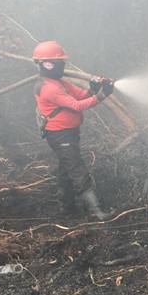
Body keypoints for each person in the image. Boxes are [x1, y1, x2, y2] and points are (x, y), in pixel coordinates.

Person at [32, 40, 114, 219]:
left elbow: (80, 96)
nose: (64, 65)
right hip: (59, 135)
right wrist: (102, 95)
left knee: (65, 168)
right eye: (61, 62)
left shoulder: (58, 81)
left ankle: (66, 207)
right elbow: (77, 106)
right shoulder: (47, 87)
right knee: (77, 168)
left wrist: (93, 90)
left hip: (68, 132)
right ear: (48, 64)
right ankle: (97, 211)